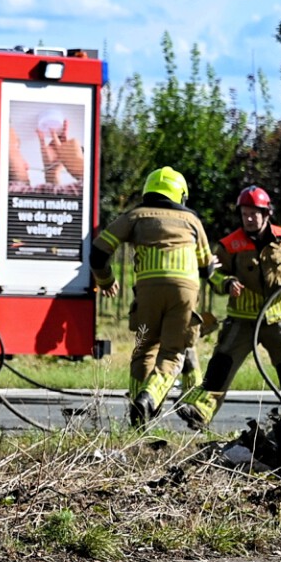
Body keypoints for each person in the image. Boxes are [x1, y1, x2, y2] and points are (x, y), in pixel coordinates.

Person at [178, 186, 281, 428]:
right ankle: (200, 413)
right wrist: (227, 282)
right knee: (221, 365)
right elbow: (214, 274)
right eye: (245, 214)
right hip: (242, 320)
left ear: (267, 214)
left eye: (254, 214)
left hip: (278, 319)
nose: (249, 219)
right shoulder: (229, 244)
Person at [90, 166, 214, 426]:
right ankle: (150, 397)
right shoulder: (192, 220)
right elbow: (206, 267)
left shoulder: (135, 216)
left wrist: (106, 280)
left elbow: (98, 252)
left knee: (144, 348)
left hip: (147, 291)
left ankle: (138, 417)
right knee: (172, 352)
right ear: (180, 195)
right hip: (184, 292)